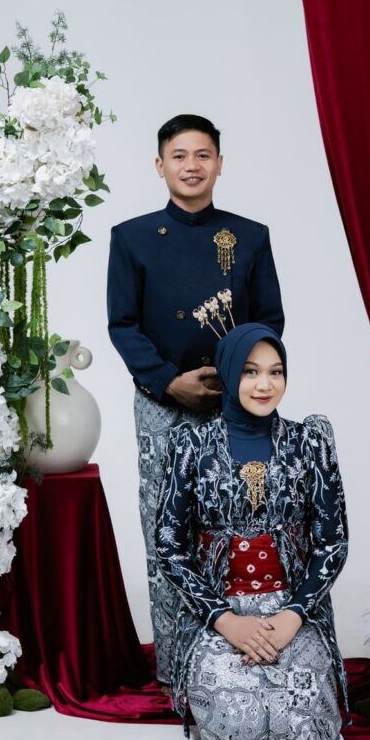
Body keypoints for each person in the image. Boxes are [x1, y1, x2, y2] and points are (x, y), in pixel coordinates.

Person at [106, 115, 284, 683]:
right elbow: (123, 325)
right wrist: (168, 381)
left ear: (220, 164)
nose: (191, 166)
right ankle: (177, 664)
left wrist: (236, 379)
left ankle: (241, 650)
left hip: (234, 405)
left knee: (237, 520)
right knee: (167, 530)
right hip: (162, 403)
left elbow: (269, 320)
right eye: (179, 156)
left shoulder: (249, 235)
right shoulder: (131, 237)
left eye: (203, 155)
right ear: (159, 165)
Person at [155, 323, 348, 740]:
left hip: (292, 608)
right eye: (249, 371)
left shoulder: (309, 442)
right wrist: (226, 621)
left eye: (275, 372)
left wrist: (293, 615)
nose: (265, 385)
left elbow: (332, 543)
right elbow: (170, 546)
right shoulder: (191, 445)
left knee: (306, 728)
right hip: (218, 611)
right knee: (237, 730)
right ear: (227, 374)